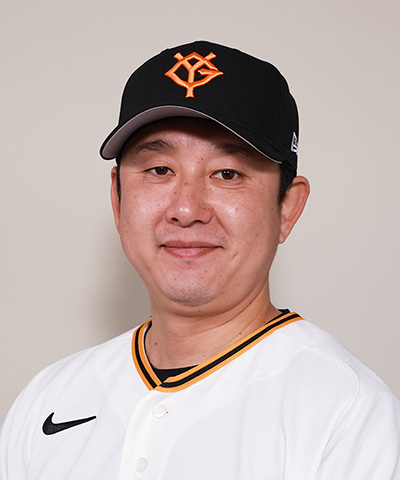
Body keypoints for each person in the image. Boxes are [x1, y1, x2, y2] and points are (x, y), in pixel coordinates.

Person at [1, 40, 399, 479]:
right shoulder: (47, 399)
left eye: (227, 174)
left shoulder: (349, 415)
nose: (186, 208)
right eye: (159, 170)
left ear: (287, 207)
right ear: (117, 199)